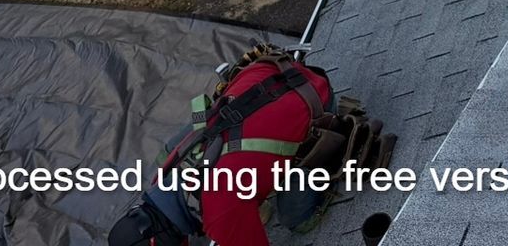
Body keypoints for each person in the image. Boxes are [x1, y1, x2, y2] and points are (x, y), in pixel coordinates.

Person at [108, 46, 391, 246]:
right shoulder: (164, 172)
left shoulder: (219, 213)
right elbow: (200, 120)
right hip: (276, 72)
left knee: (296, 219)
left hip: (317, 102)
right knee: (206, 134)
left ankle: (325, 160)